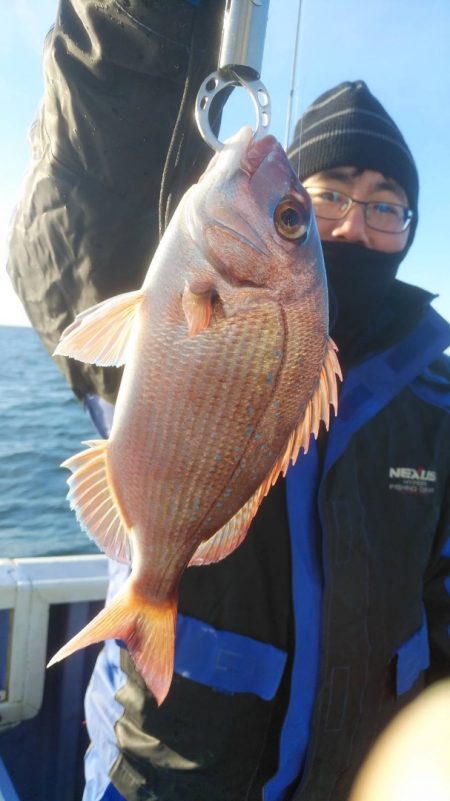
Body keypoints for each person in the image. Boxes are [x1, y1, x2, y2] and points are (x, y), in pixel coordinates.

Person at [7, 2, 449, 799]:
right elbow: (82, 203)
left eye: (387, 204)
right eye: (322, 200)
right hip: (171, 775)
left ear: (410, 225)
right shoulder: (171, 297)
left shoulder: (439, 401)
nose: (357, 222)